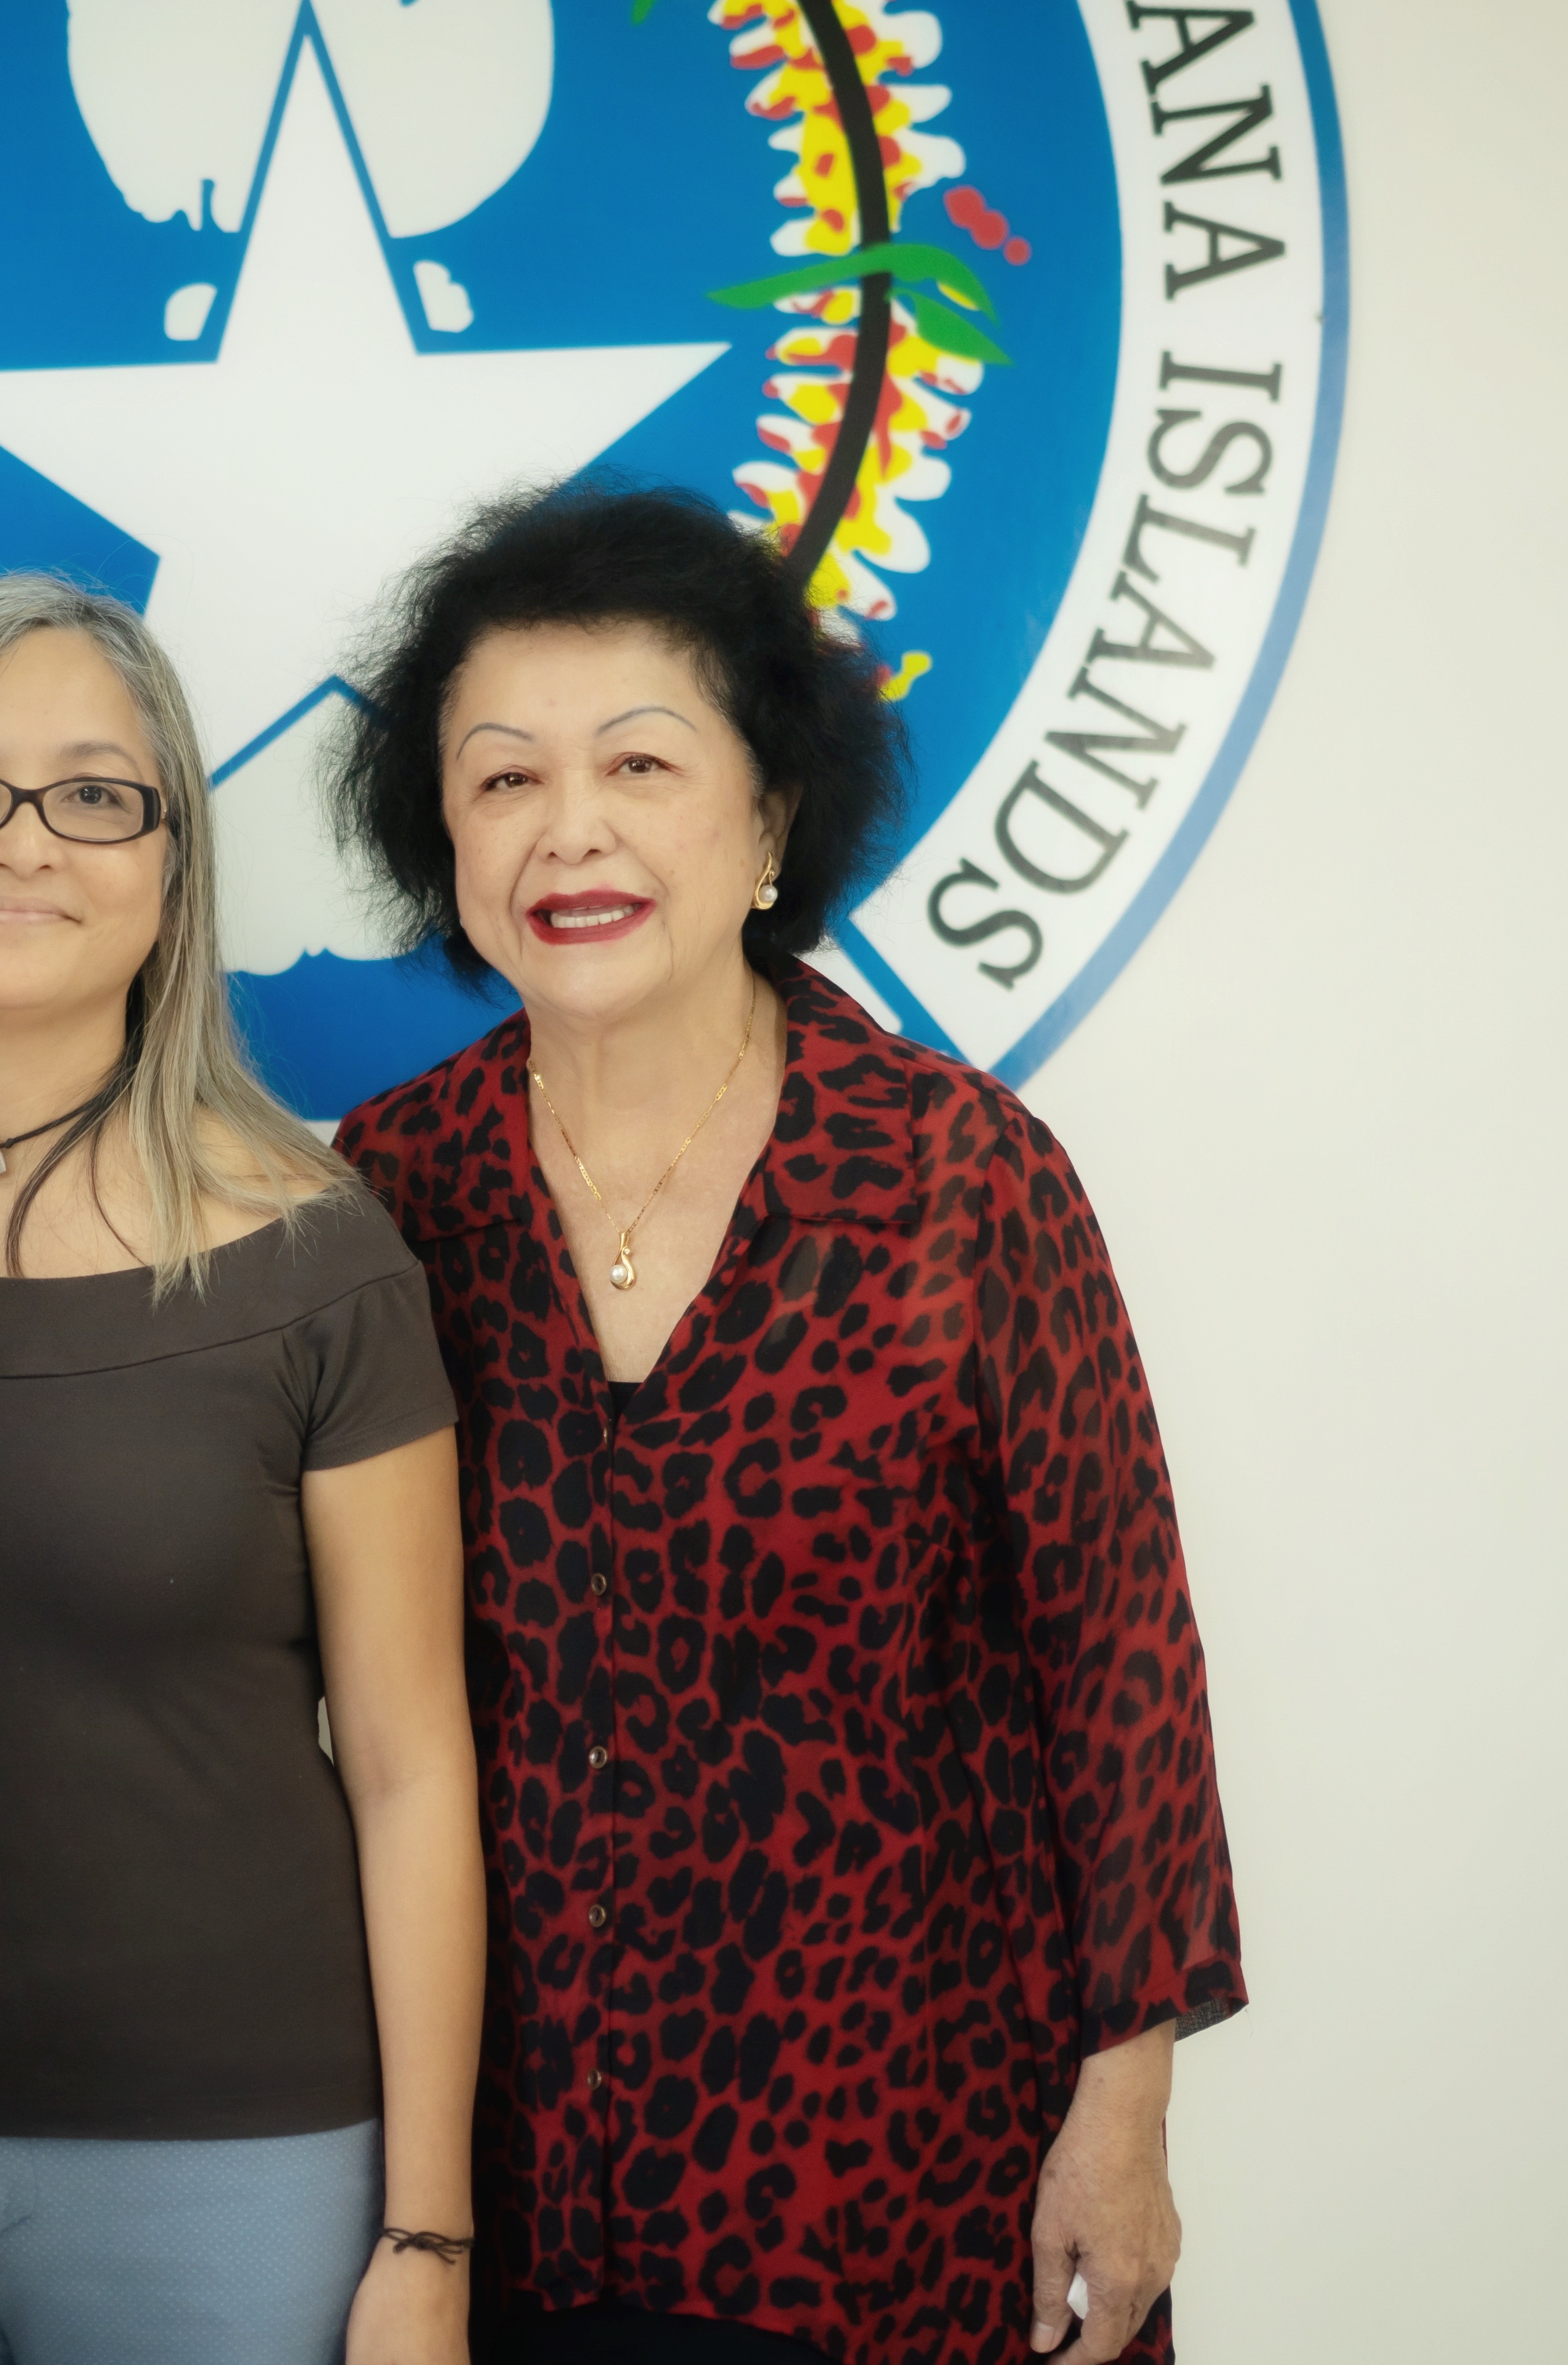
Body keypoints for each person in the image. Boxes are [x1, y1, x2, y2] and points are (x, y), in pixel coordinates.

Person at [325, 485, 1245, 2365]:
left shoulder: (957, 1178)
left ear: (766, 816)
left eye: (640, 764)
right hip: (532, 2184)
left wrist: (1126, 2112)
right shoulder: (393, 1194)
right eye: (502, 780)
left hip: (921, 2178)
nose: (568, 829)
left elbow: (1123, 1664)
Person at [0, 575, 485, 2365]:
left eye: (98, 794)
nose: (22, 842)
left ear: (173, 867)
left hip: (241, 2169)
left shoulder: (323, 1266)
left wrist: (428, 2236)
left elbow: (417, 1772)